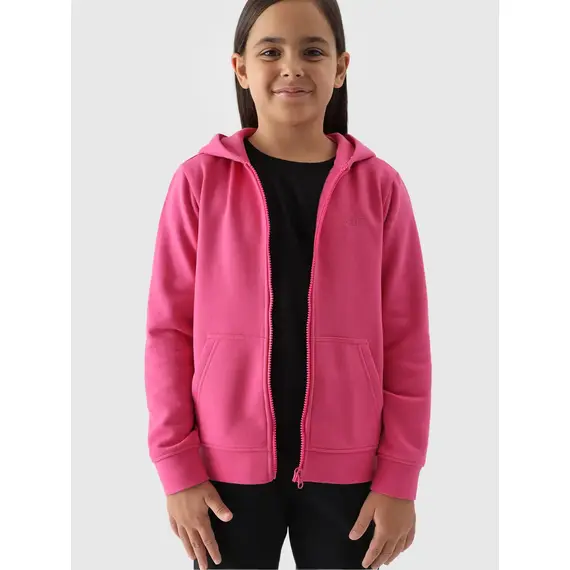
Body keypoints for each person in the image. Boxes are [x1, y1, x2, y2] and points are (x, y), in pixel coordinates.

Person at [144, 0, 432, 568]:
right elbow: (168, 333)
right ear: (241, 69)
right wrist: (177, 468)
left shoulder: (380, 188)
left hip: (352, 475)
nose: (292, 67)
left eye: (313, 51)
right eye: (271, 51)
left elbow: (407, 340)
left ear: (341, 68)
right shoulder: (199, 181)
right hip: (223, 476)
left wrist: (401, 477)